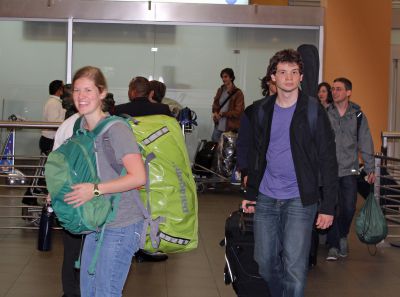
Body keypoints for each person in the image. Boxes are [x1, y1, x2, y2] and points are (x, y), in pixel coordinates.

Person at [241, 49, 338, 297]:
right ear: (272, 77)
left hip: (300, 199)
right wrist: (251, 193)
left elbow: (328, 161)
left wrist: (328, 206)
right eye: (282, 72)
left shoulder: (314, 112)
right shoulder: (262, 110)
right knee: (264, 262)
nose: (288, 78)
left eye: (294, 72)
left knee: (294, 267)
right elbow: (257, 155)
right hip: (266, 196)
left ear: (301, 77)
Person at [63, 66, 146, 296]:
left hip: (121, 224)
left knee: (105, 292)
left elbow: (138, 176)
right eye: (77, 90)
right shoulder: (80, 127)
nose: (81, 96)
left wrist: (96, 190)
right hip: (95, 221)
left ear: (102, 93)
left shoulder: (116, 130)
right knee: (88, 291)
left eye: (88, 90)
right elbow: (81, 170)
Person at [325, 77, 375, 261]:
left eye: (338, 89)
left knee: (348, 208)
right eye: (333, 89)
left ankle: (342, 235)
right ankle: (333, 245)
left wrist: (370, 168)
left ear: (348, 92)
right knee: (331, 207)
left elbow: (366, 142)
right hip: (329, 171)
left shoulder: (358, 116)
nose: (334, 92)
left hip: (350, 170)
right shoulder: (325, 113)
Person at [236, 69, 276, 187]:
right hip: (257, 171)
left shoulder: (290, 111)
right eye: (273, 78)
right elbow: (243, 143)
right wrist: (245, 171)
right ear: (268, 82)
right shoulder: (252, 110)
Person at [211, 68, 244, 142]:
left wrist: (223, 114)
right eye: (222, 77)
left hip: (230, 127)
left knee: (228, 150)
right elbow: (215, 104)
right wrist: (215, 112)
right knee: (214, 144)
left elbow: (238, 112)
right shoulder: (220, 90)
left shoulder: (238, 93)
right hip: (218, 124)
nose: (223, 79)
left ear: (231, 78)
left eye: (225, 77)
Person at [40, 80, 65, 154]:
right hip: (50, 140)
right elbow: (53, 123)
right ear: (59, 90)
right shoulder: (53, 103)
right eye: (63, 88)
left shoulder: (55, 102)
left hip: (50, 139)